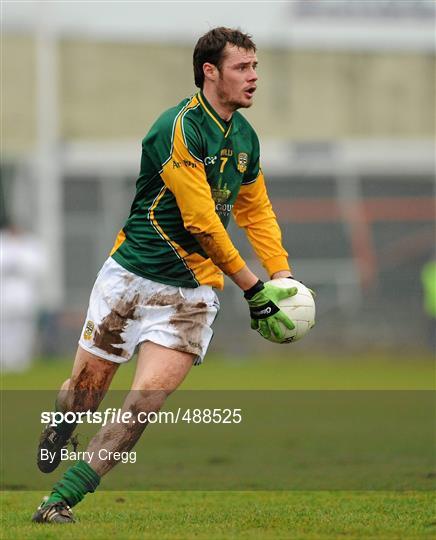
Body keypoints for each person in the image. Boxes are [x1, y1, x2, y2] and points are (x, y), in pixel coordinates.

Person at [32, 27, 306, 524]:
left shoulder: (245, 138)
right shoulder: (176, 127)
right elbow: (202, 221)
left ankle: (59, 502)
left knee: (144, 406)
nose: (254, 77)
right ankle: (61, 424)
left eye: (255, 67)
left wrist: (281, 278)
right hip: (131, 278)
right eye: (243, 68)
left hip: (194, 293)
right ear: (210, 72)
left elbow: (256, 211)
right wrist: (253, 288)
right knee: (86, 391)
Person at [0, 222, 47, 372]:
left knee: (24, 330)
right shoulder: (3, 243)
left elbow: (39, 267)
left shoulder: (31, 244)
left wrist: (18, 263)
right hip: (5, 296)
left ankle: (21, 361)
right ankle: (4, 360)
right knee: (5, 330)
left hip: (24, 296)